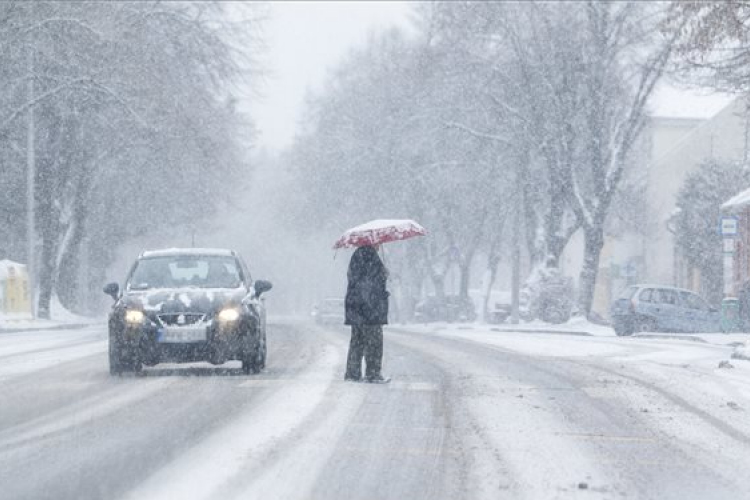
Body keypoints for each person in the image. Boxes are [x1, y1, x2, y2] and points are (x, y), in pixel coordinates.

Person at [344, 245, 390, 383]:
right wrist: (383, 275)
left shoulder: (358, 255)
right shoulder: (369, 255)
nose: (380, 243)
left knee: (357, 342)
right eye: (378, 242)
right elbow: (370, 283)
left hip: (357, 308)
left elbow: (357, 280)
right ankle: (373, 373)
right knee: (374, 342)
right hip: (369, 310)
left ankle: (352, 374)